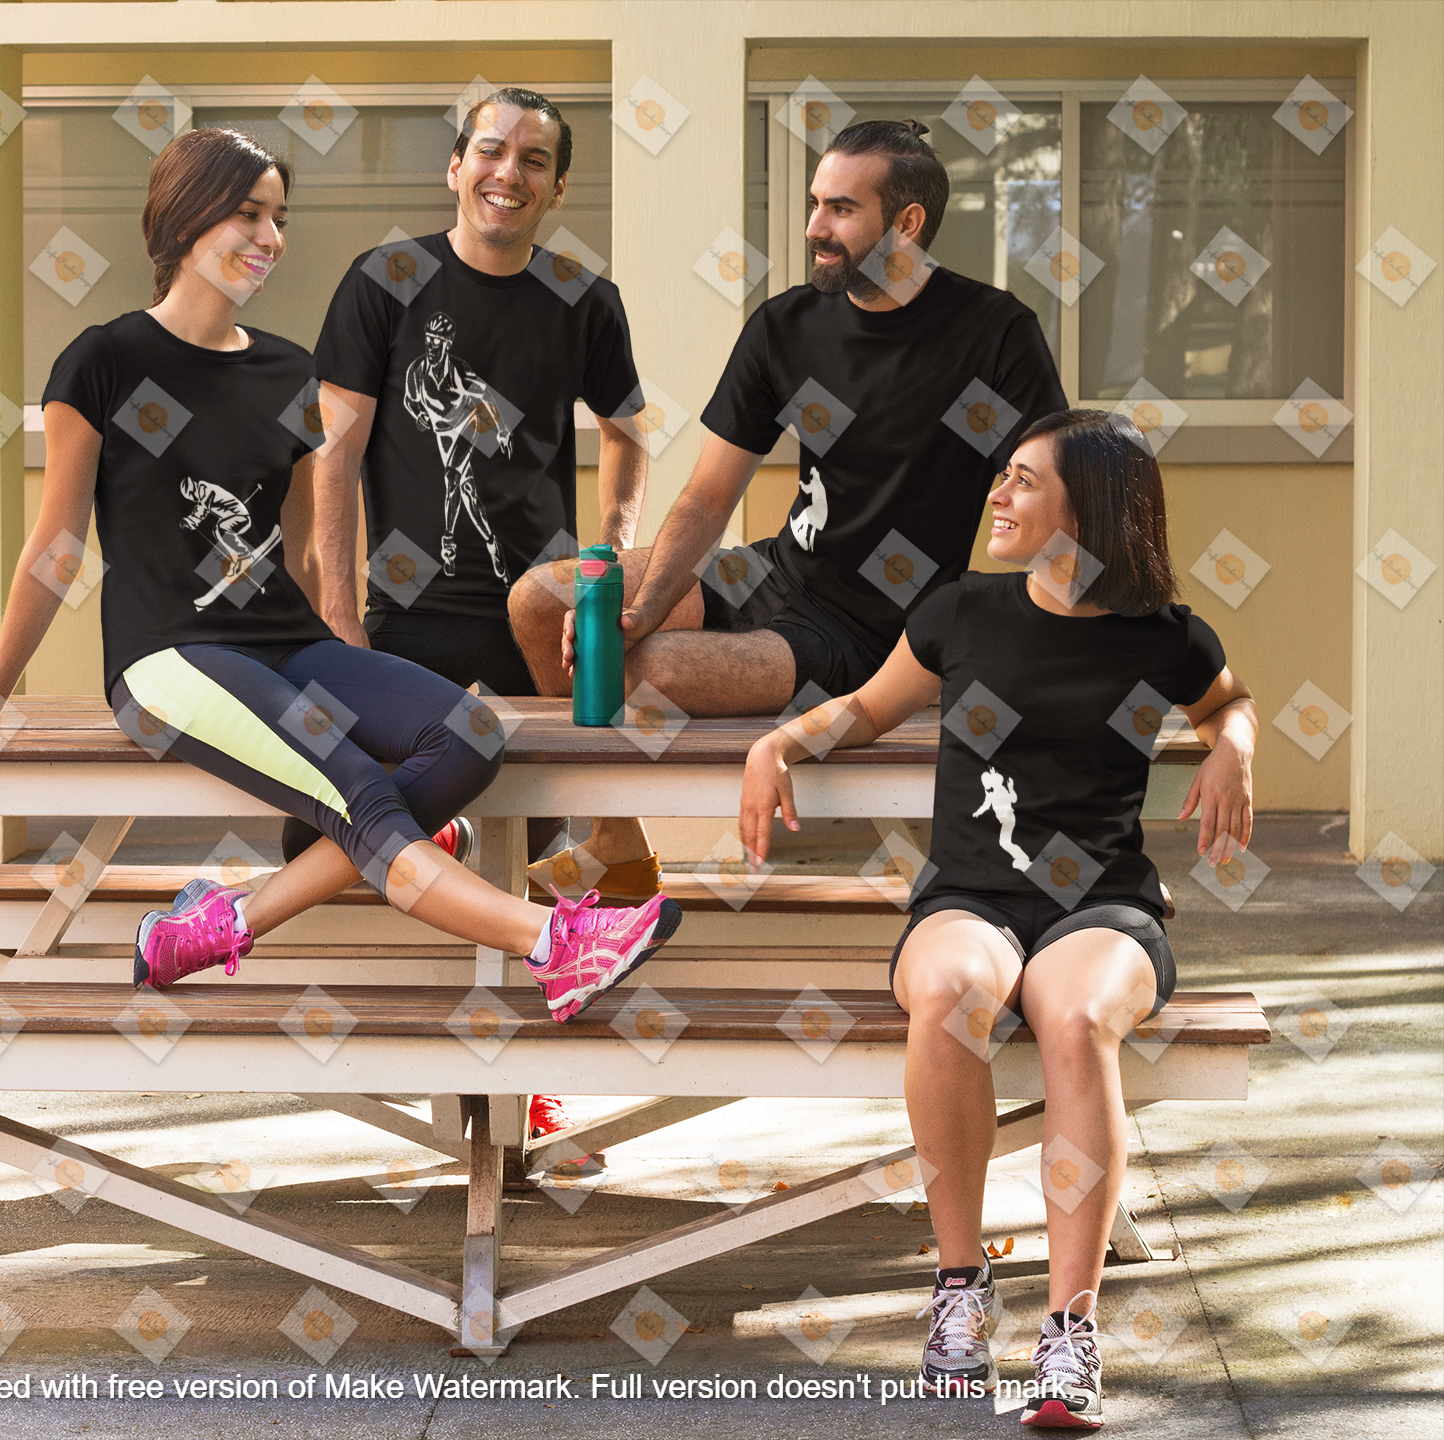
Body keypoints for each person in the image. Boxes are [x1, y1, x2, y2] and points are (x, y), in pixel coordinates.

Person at [0, 126, 680, 1023]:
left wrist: (346, 654)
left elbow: (296, 552)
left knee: (470, 736)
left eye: (279, 218)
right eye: (248, 215)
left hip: (286, 642)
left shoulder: (291, 370)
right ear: (185, 219)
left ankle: (224, 923)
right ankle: (552, 944)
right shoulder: (103, 361)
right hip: (169, 657)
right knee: (360, 792)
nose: (271, 238)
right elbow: (54, 551)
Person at [738, 410, 1258, 1428]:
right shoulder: (962, 610)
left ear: (1087, 509)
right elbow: (868, 707)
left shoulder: (1165, 635)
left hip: (1103, 904)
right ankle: (960, 1286)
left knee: (1075, 1015)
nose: (999, 495)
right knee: (946, 992)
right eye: (1004, 476)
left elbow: (1225, 702)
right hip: (970, 897)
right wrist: (778, 744)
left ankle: (1069, 1328)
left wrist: (1236, 743)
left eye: (1024, 480)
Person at [510, 117, 1068, 895]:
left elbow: (1056, 493)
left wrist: (1031, 644)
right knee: (541, 601)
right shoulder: (787, 325)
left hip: (868, 627)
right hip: (773, 571)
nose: (814, 228)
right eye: (814, 204)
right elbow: (708, 497)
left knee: (645, 670)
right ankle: (617, 840)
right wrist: (640, 607)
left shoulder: (995, 334)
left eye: (841, 209)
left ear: (908, 223)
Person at [301, 87, 654, 1137]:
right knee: (361, 829)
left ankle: (515, 1082)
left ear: (558, 185)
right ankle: (451, 1064)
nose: (509, 173)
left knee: (541, 855)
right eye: (490, 151)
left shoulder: (583, 298)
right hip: (403, 620)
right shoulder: (383, 282)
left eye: (534, 159)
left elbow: (629, 434)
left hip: (535, 626)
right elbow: (334, 456)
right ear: (455, 167)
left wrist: (607, 561)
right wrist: (338, 617)